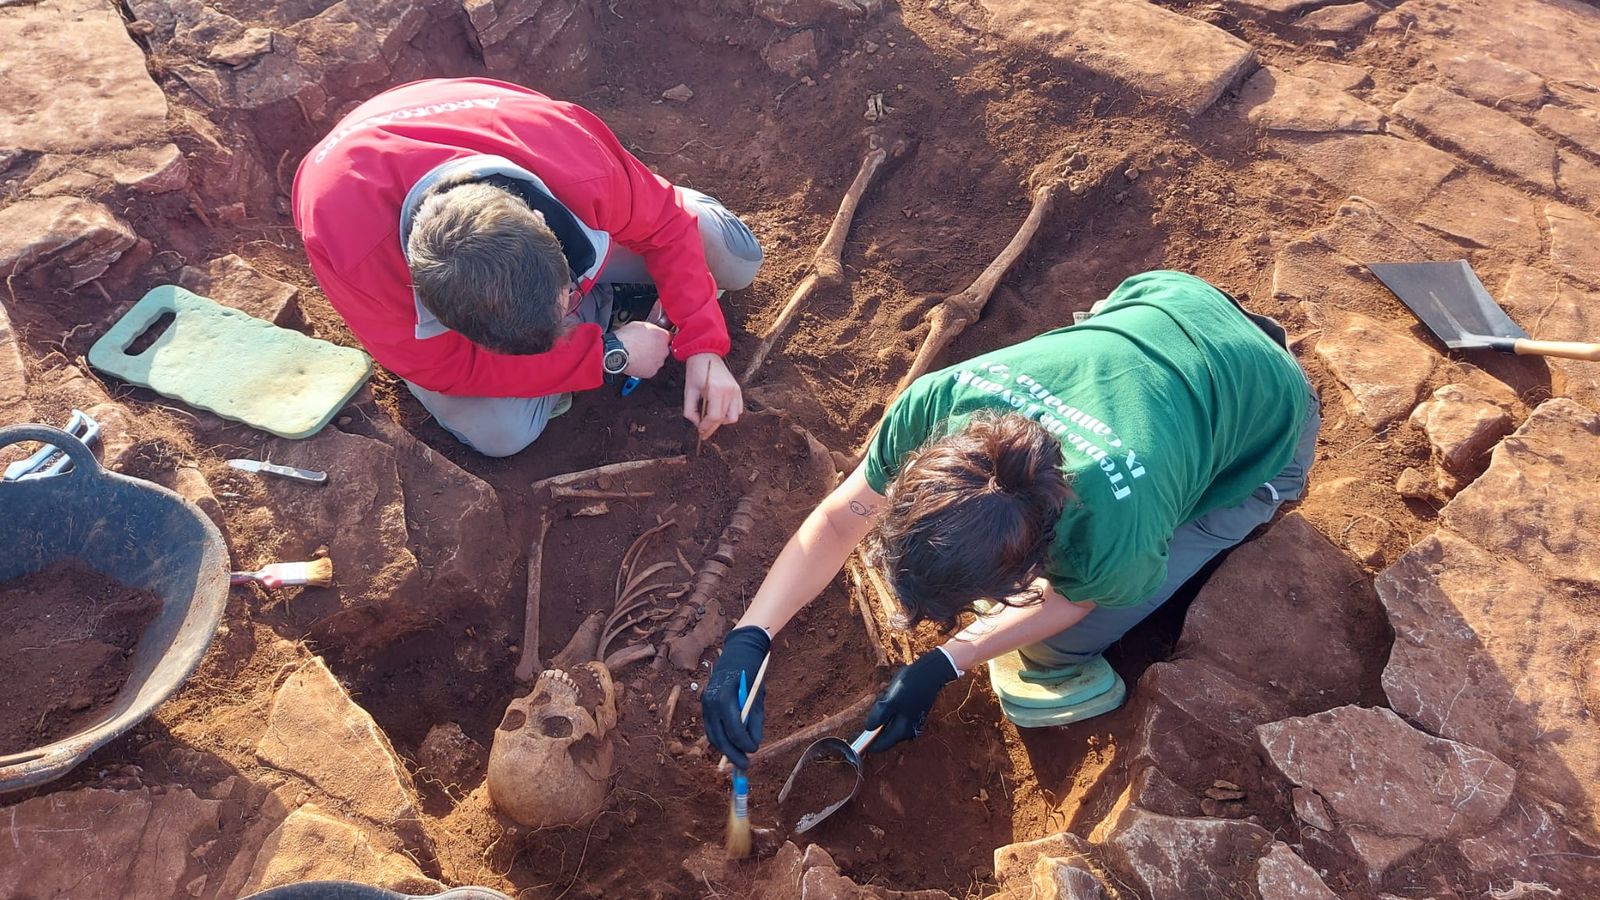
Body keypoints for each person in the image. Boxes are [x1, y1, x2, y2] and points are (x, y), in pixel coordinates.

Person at [702, 271, 1320, 767]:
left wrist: (947, 661)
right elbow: (842, 521)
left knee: (1056, 645)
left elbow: (1064, 602)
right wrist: (748, 640)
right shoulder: (936, 404)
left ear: (1032, 561)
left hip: (1271, 414)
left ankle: (1259, 479)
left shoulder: (1114, 527)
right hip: (1164, 300)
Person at [293, 77, 764, 457]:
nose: (564, 312)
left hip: (551, 162)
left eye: (567, 299)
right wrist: (608, 353)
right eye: (567, 310)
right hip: (370, 213)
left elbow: (664, 224)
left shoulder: (573, 156)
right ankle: (608, 309)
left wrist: (703, 344)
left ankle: (602, 303)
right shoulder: (352, 254)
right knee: (502, 433)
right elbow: (449, 367)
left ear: (543, 223)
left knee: (735, 260)